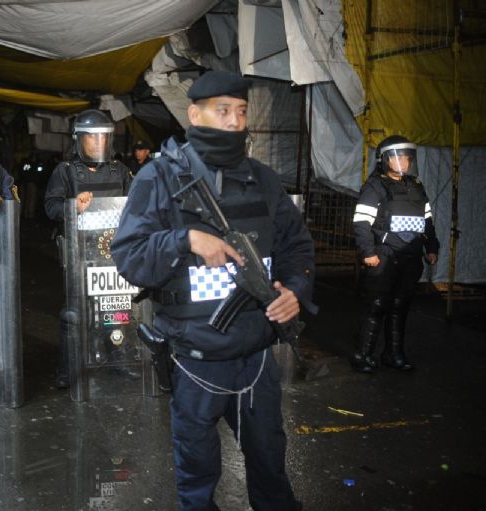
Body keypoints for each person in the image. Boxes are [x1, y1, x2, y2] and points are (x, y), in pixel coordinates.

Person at [111, 70, 314, 511]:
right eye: (222, 111)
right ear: (194, 114)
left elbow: (298, 247)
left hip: (256, 359)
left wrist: (295, 289)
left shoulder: (264, 180)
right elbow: (129, 257)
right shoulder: (159, 178)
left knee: (270, 468)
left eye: (241, 112)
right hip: (195, 360)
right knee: (198, 476)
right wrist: (185, 240)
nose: (233, 122)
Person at [44, 109, 133, 389]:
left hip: (113, 254)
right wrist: (73, 206)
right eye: (91, 138)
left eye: (102, 138)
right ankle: (68, 369)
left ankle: (117, 358)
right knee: (75, 314)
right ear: (79, 141)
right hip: (79, 255)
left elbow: (137, 203)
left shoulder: (120, 171)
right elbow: (50, 206)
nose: (97, 143)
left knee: (116, 310)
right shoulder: (66, 172)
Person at [350, 135, 439, 373]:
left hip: (410, 257)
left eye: (407, 157)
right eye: (398, 156)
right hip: (384, 256)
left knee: (400, 305)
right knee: (377, 305)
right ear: (385, 159)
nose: (403, 162)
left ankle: (393, 354)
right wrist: (368, 252)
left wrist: (432, 247)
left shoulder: (416, 187)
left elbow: (427, 222)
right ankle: (363, 356)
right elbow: (361, 223)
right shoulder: (375, 187)